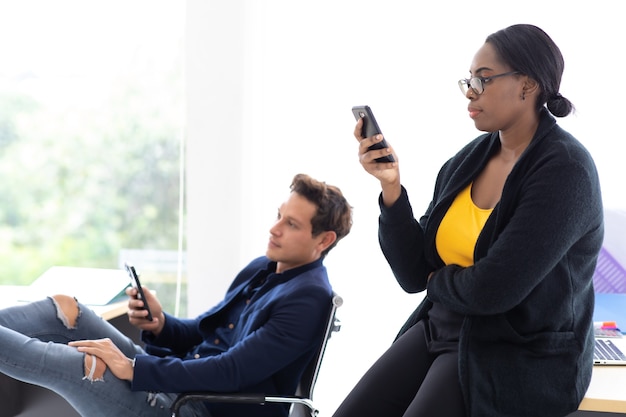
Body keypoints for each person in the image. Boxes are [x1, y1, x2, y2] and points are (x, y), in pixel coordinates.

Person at [333, 24, 603, 417]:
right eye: (468, 80)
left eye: (483, 79)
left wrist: (436, 282)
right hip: (443, 325)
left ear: (527, 85)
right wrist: (391, 188)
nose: (471, 91)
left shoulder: (566, 171)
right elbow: (413, 274)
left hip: (516, 349)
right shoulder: (467, 160)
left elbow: (496, 288)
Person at [0, 173, 352, 417]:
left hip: (195, 408)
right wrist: (161, 322)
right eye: (279, 216)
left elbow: (231, 371)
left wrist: (135, 368)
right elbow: (203, 334)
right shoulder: (264, 267)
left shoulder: (308, 298)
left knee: (82, 366)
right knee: (66, 309)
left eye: (291, 224)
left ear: (324, 240)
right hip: (179, 384)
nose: (274, 229)